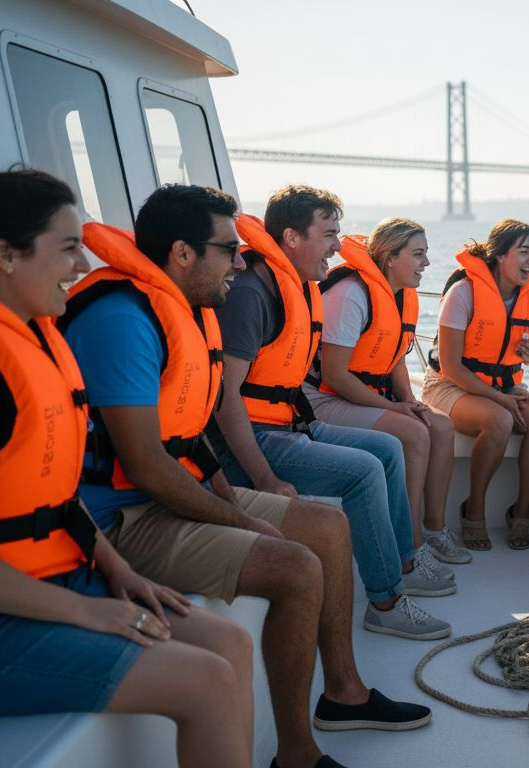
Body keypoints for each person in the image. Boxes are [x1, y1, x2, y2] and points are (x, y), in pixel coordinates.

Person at [60, 183, 430, 768]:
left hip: (172, 493)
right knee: (296, 565)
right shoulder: (123, 321)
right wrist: (239, 518)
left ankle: (344, 693)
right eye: (227, 249)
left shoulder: (188, 309)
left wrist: (233, 496)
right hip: (122, 516)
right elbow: (148, 467)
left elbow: (189, 434)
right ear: (183, 253)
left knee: (328, 528)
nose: (240, 261)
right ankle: (298, 755)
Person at [0, 169, 251, 767]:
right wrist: (88, 610)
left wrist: (117, 571)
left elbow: (53, 497)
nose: (80, 266)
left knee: (228, 638)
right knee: (206, 681)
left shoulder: (40, 340)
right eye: (67, 248)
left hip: (59, 575)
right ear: (4, 256)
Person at [211, 185, 454, 643]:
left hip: (289, 420)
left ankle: (404, 558)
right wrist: (264, 478)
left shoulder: (293, 285)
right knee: (362, 470)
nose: (339, 247)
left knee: (386, 448)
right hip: (253, 436)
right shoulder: (251, 295)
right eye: (328, 235)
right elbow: (224, 400)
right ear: (291, 237)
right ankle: (385, 602)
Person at [305, 218, 469, 566]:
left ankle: (435, 529)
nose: (427, 263)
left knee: (440, 426)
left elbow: (393, 356)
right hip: (323, 398)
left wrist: (408, 400)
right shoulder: (351, 294)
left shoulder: (400, 296)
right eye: (419, 254)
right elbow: (335, 375)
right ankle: (408, 543)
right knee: (412, 433)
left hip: (363, 395)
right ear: (390, 257)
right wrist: (393, 410)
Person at [423, 219, 529, 550]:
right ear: (499, 255)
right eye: (523, 251)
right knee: (498, 420)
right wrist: (499, 399)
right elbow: (451, 366)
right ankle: (474, 509)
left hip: (502, 387)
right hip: (449, 386)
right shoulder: (463, 292)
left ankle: (520, 512)